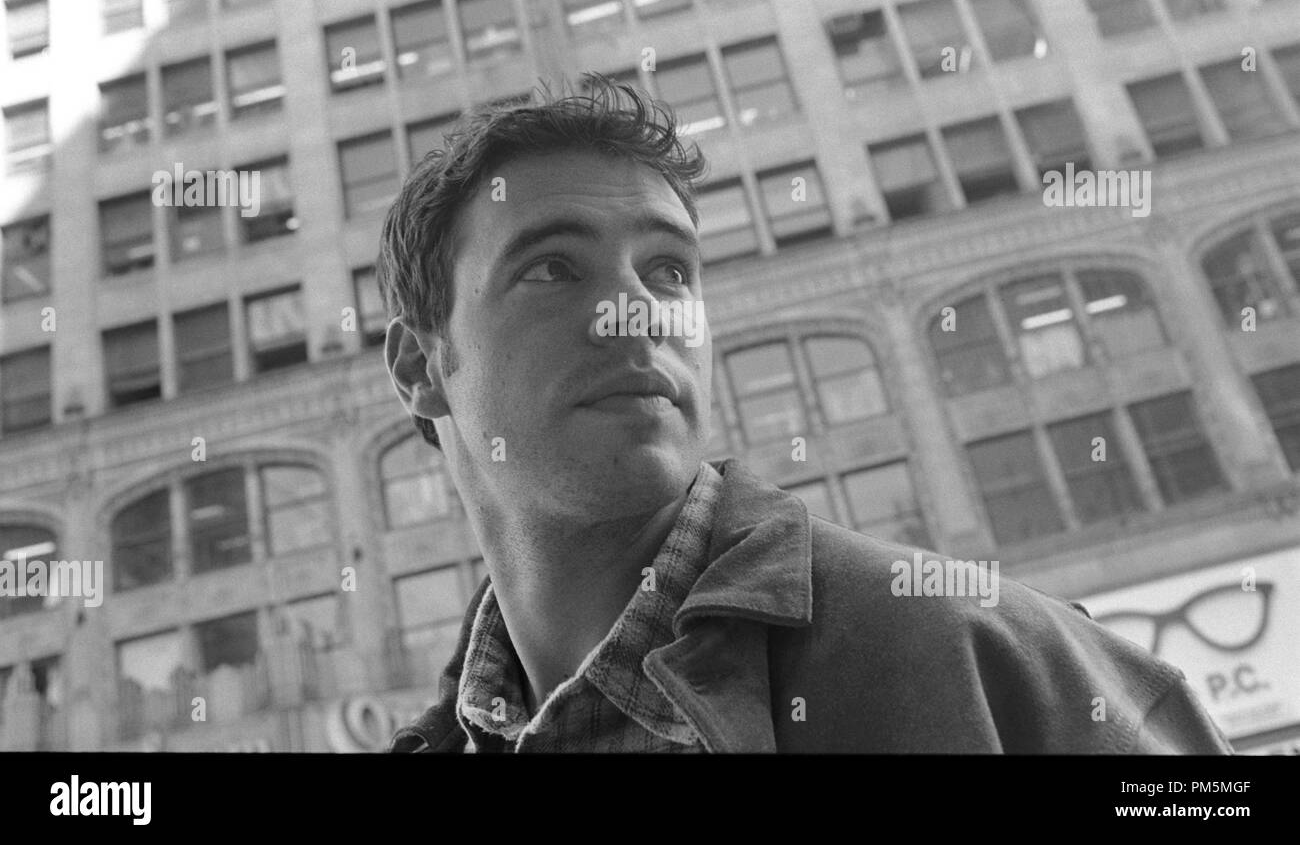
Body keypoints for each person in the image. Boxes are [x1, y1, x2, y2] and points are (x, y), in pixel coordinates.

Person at [377, 76, 1232, 754]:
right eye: (553, 269)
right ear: (420, 366)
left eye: (669, 270)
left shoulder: (994, 661)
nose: (635, 312)